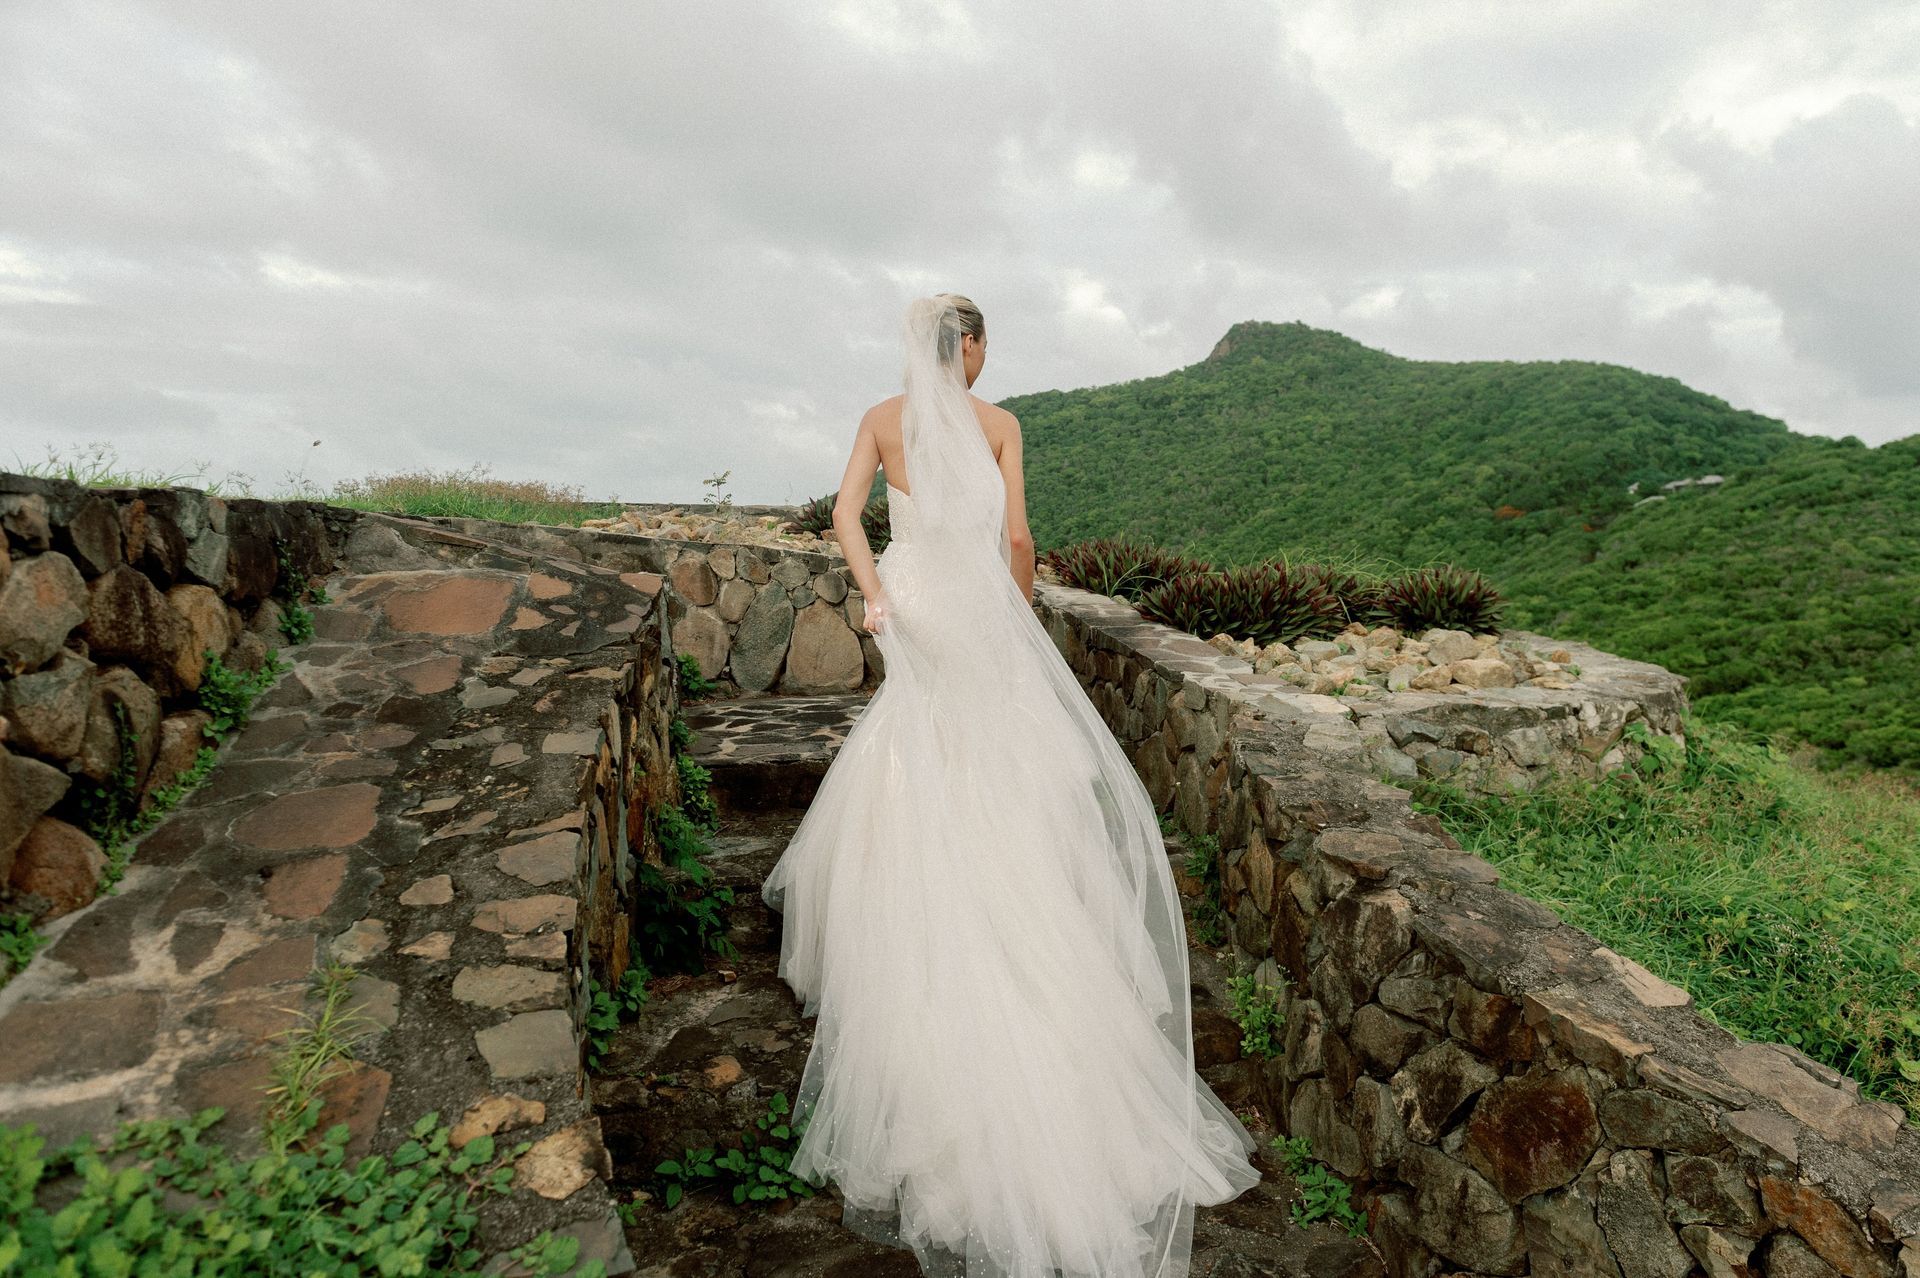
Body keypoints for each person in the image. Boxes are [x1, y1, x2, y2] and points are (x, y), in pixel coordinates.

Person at [760, 294, 1261, 1278]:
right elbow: (1020, 542)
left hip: (913, 609)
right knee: (1006, 779)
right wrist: (1020, 619)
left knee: (918, 762)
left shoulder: (879, 421)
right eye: (984, 345)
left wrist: (874, 595)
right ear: (974, 348)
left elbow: (842, 518)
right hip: (982, 617)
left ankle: (910, 949)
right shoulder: (1001, 427)